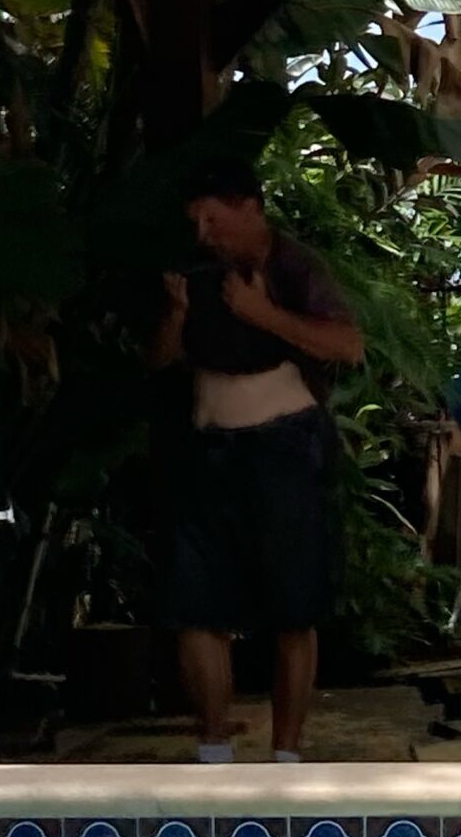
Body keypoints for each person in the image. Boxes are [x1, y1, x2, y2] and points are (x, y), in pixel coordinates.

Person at [152, 157, 364, 763]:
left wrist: (262, 313)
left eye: (214, 220)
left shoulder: (295, 266)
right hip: (209, 448)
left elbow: (348, 345)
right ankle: (213, 747)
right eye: (196, 222)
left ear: (249, 208)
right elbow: (162, 360)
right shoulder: (191, 269)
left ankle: (286, 755)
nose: (206, 235)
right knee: (195, 604)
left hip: (285, 449)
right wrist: (176, 317)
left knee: (294, 606)